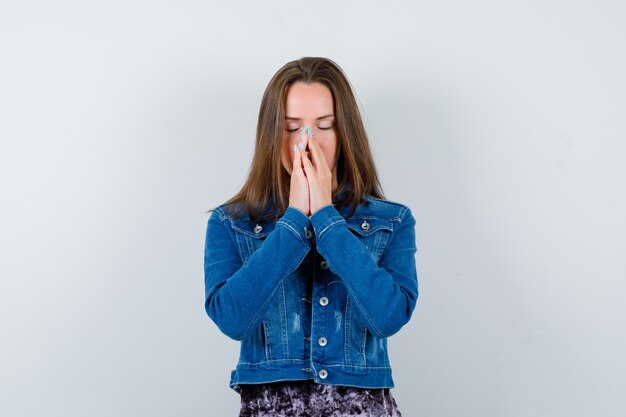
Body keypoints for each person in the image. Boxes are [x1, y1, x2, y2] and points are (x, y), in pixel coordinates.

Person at [203, 57, 419, 416]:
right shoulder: (230, 223)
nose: (307, 141)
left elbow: (389, 317)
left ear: (344, 131)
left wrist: (325, 217)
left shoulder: (392, 220)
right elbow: (232, 319)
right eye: (291, 127)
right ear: (272, 134)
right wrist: (292, 222)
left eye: (324, 126)